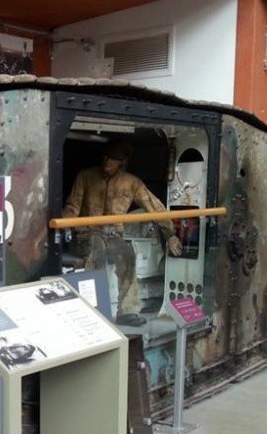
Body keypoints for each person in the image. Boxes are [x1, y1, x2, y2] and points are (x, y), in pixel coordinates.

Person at [62, 139, 182, 326]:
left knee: (128, 257)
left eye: (114, 159)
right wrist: (64, 227)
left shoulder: (131, 183)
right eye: (106, 157)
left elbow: (154, 206)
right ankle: (94, 310)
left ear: (123, 161)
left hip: (113, 235)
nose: (108, 162)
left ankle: (127, 312)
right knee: (97, 252)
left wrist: (170, 234)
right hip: (87, 234)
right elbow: (72, 206)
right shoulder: (85, 176)